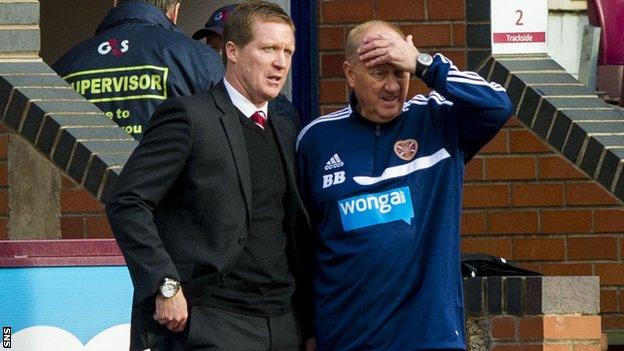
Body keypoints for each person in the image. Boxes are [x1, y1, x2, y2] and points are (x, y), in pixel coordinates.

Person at [105, 1, 314, 350]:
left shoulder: (287, 123)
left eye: (287, 51)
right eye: (268, 49)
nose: (280, 62)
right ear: (232, 51)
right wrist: (164, 285)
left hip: (283, 321)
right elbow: (126, 201)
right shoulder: (188, 117)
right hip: (213, 320)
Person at [296, 20, 513, 350]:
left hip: (429, 338)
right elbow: (302, 245)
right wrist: (309, 329)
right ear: (350, 74)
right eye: (379, 73)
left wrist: (423, 63)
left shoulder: (438, 121)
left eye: (399, 72)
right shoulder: (316, 139)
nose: (393, 86)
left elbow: (498, 103)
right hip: (344, 338)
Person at [52, 0, 224, 140]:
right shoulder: (200, 59)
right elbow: (228, 139)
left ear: (115, 3)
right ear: (175, 12)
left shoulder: (65, 65)